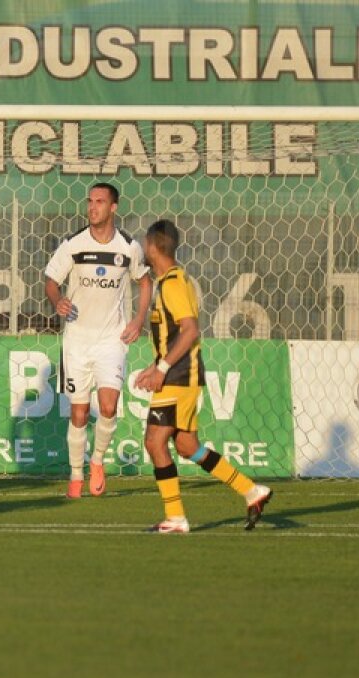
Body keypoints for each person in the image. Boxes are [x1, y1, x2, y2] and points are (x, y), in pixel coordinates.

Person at [133, 219, 273, 533]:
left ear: (155, 246)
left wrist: (163, 369)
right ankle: (251, 490)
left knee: (155, 442)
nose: (143, 248)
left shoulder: (171, 282)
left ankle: (176, 518)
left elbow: (191, 330)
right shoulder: (171, 280)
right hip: (180, 374)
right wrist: (155, 365)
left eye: (145, 243)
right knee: (186, 446)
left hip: (179, 377)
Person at [44, 182, 151, 498]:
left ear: (114, 207)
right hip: (77, 341)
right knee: (78, 414)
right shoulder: (72, 244)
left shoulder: (129, 246)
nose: (92, 207)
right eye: (90, 201)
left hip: (111, 340)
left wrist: (138, 319)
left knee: (108, 405)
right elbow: (51, 281)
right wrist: (57, 300)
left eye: (100, 202)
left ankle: (98, 462)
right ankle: (76, 476)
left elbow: (145, 283)